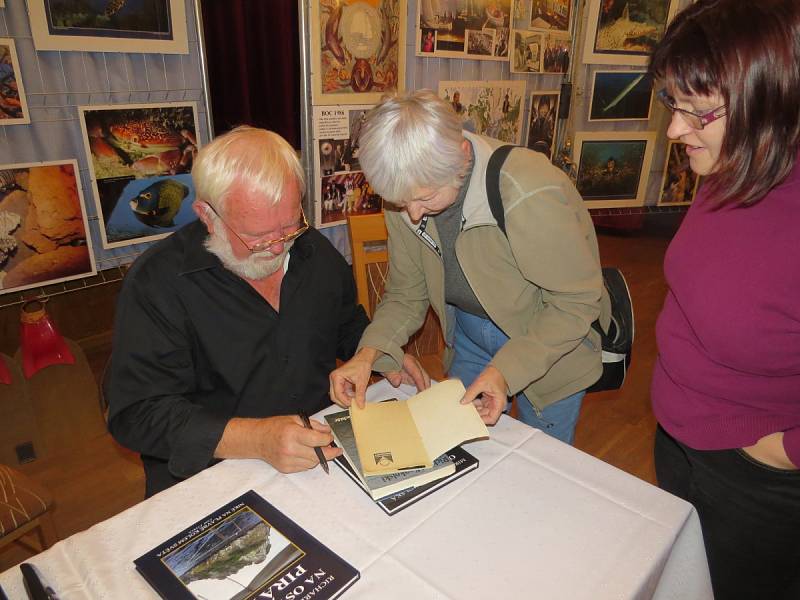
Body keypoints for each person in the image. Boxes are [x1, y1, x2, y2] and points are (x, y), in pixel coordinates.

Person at [105, 126, 424, 497]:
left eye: (289, 226)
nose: (277, 248)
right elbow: (136, 414)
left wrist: (377, 352)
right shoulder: (157, 284)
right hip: (213, 479)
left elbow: (344, 323)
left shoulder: (313, 252)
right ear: (208, 215)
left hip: (316, 460)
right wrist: (256, 439)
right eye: (257, 236)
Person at [329, 90, 609, 444]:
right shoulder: (406, 193)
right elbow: (405, 294)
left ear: (461, 156)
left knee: (541, 463)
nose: (412, 214)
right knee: (469, 449)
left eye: (425, 198)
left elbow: (576, 302)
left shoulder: (527, 190)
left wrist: (506, 371)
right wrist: (367, 354)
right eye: (400, 201)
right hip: (470, 333)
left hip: (550, 340)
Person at [647, 1, 800, 598]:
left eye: (697, 112)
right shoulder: (732, 164)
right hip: (680, 436)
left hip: (756, 477)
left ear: (772, 101)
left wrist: (781, 451)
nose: (674, 130)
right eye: (672, 103)